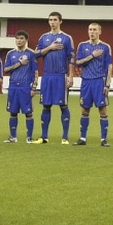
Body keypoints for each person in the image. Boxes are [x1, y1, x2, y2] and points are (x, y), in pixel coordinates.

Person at [33, 12, 75, 145]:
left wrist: (70, 76)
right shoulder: (44, 37)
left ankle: (65, 137)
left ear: (60, 21)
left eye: (55, 20)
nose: (52, 22)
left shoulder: (67, 38)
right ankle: (44, 137)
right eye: (50, 20)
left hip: (61, 76)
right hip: (47, 76)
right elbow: (36, 54)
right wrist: (50, 47)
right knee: (46, 105)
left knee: (63, 105)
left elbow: (71, 58)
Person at [73, 23, 113, 147]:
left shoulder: (105, 47)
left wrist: (107, 85)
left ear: (100, 32)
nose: (92, 32)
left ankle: (103, 139)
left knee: (103, 111)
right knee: (84, 110)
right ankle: (82, 138)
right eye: (90, 29)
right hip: (86, 81)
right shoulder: (82, 45)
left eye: (94, 29)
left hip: (99, 81)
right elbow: (78, 62)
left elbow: (109, 66)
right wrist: (92, 56)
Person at [3, 30, 38, 143]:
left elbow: (35, 72)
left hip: (25, 87)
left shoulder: (31, 53)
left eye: (21, 38)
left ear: (26, 40)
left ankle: (29, 138)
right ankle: (13, 137)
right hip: (13, 86)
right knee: (13, 112)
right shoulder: (10, 54)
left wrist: (34, 87)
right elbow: (6, 69)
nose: (19, 40)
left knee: (28, 113)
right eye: (17, 38)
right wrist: (19, 63)